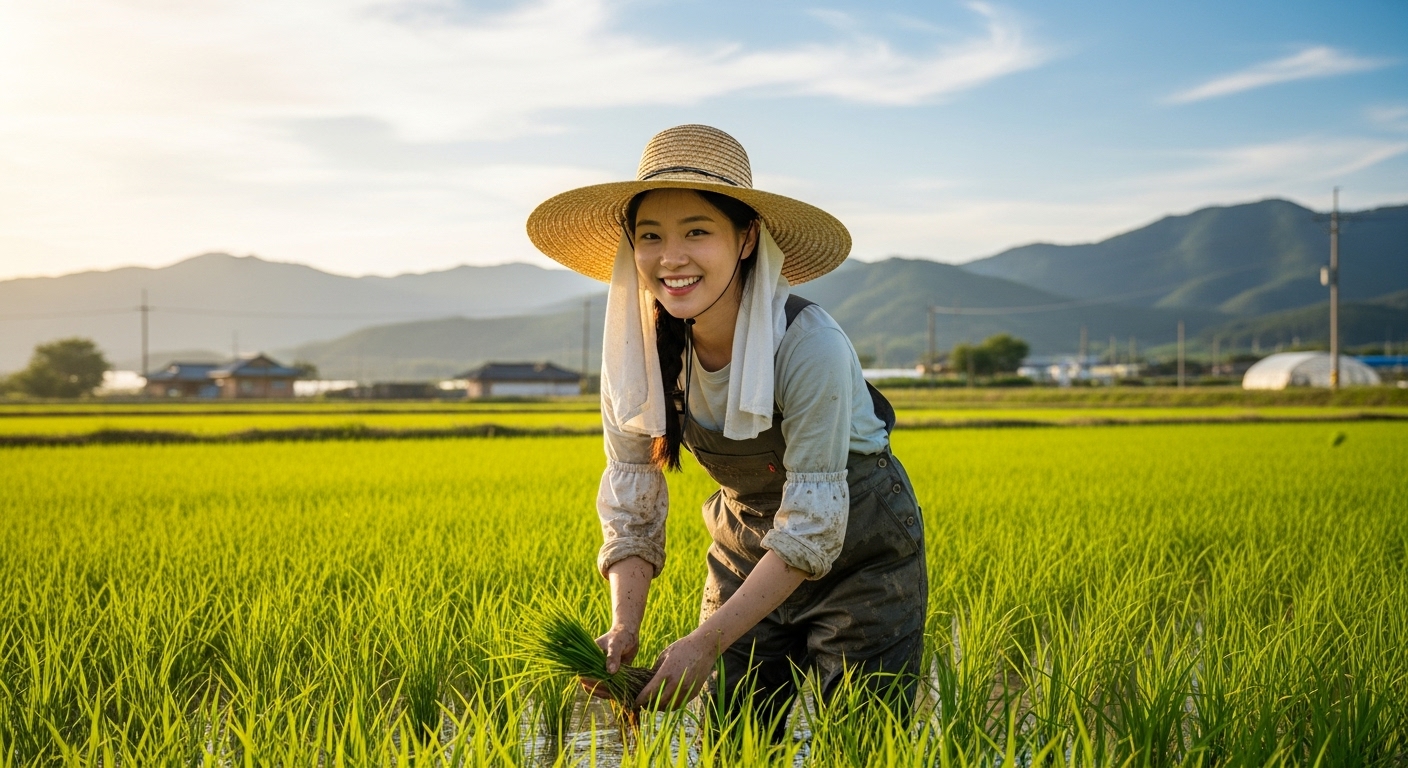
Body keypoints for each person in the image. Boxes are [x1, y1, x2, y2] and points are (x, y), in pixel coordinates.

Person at [526, 124, 928, 736]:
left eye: (697, 232)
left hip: (859, 552)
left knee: (862, 742)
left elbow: (814, 527)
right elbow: (633, 500)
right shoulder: (636, 358)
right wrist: (624, 627)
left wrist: (703, 643)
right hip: (745, 546)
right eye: (650, 236)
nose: (672, 257)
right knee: (734, 739)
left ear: (745, 240)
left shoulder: (807, 344)